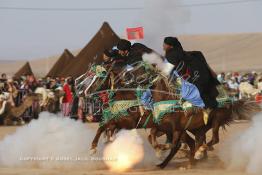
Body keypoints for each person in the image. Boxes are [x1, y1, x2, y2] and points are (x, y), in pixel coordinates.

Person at [163, 37, 220, 110]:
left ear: (170, 46)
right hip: (197, 77)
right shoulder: (184, 53)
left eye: (165, 44)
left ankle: (205, 108)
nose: (163, 46)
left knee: (186, 95)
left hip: (192, 80)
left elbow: (168, 71)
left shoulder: (170, 56)